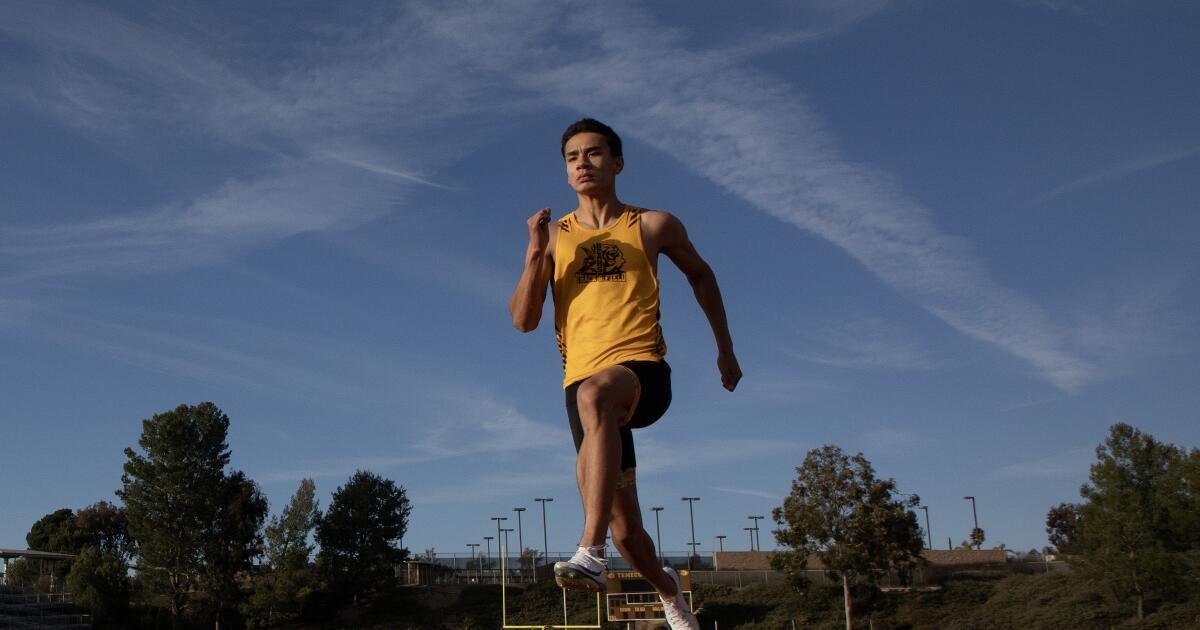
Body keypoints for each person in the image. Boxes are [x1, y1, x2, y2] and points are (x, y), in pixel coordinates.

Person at [509, 118, 741, 630]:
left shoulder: (653, 225)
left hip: (641, 372)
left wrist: (725, 349)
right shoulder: (553, 238)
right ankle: (669, 593)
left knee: (597, 395)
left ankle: (588, 553)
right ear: (566, 171)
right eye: (573, 157)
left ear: (616, 163)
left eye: (593, 154)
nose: (583, 163)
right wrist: (532, 257)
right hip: (583, 386)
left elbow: (701, 275)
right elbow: (524, 321)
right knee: (628, 533)